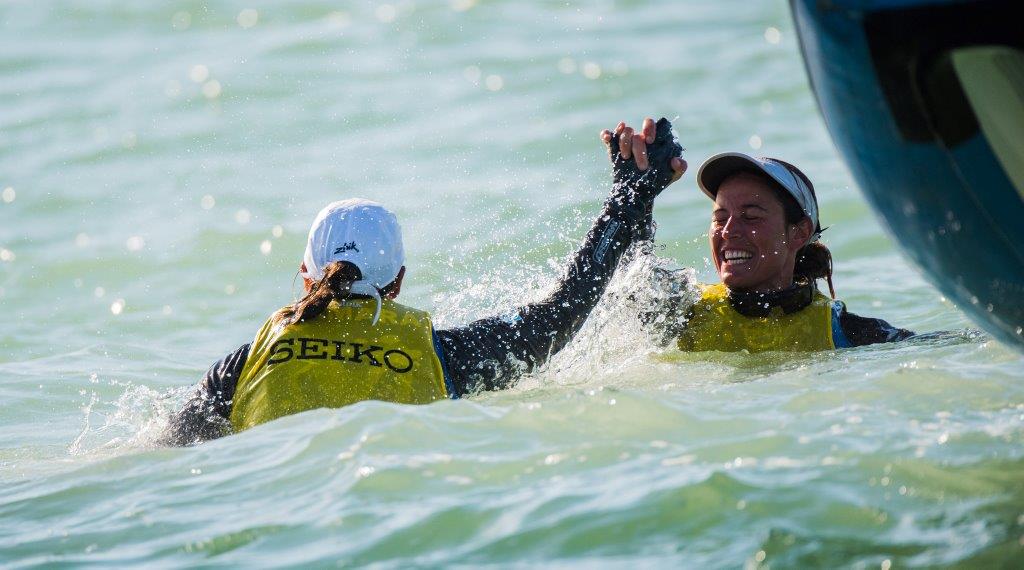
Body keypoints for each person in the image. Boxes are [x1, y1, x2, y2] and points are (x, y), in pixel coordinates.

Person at [163, 118, 686, 445]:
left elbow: (164, 449)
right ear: (398, 283)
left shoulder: (244, 362)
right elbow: (559, 313)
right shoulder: (437, 355)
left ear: (306, 277)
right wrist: (629, 197)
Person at [604, 118, 912, 352]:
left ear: (798, 232)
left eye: (750, 216)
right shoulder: (684, 315)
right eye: (720, 217)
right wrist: (637, 194)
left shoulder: (848, 333)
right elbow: (627, 281)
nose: (728, 231)